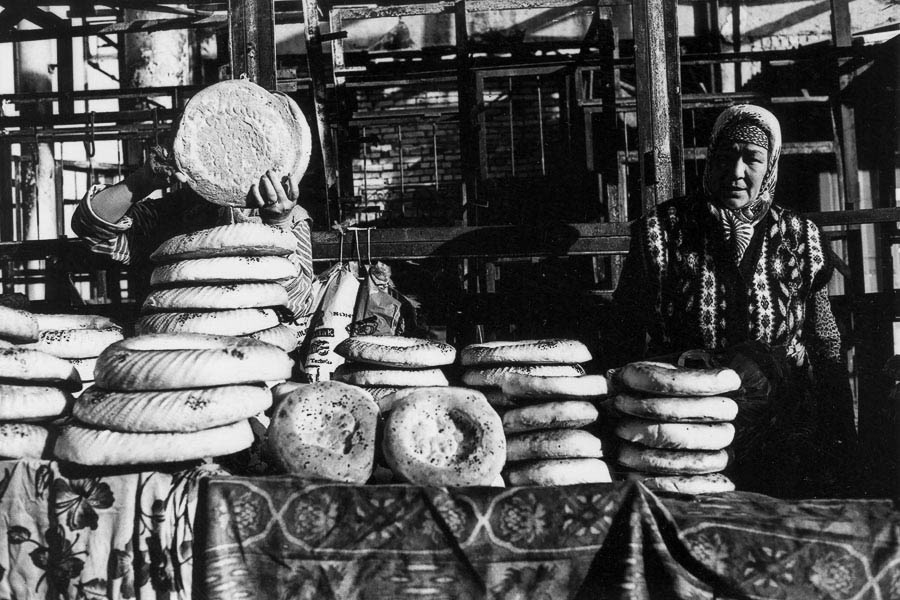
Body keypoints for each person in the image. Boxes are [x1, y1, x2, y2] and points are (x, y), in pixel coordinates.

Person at [609, 104, 859, 497]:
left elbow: (824, 339)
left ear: (771, 164)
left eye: (753, 159)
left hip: (782, 425)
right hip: (684, 425)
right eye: (727, 156)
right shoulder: (663, 231)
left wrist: (842, 433)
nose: (737, 172)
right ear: (711, 158)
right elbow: (622, 330)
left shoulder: (801, 238)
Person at [71, 147, 314, 321]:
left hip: (253, 347)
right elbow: (90, 229)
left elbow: (299, 302)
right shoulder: (174, 209)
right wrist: (141, 182)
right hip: (175, 344)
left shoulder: (288, 215)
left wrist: (277, 224)